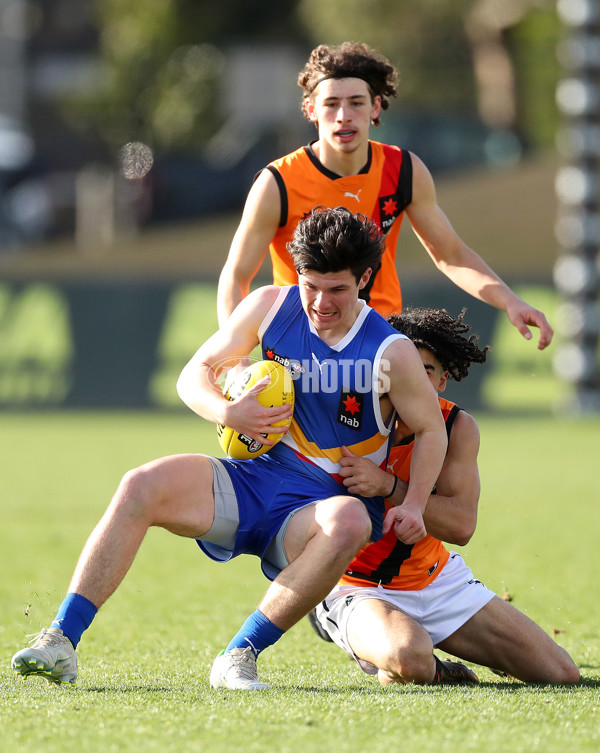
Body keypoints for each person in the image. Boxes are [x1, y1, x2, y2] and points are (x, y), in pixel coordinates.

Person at [11, 207, 448, 691]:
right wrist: (228, 412)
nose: (321, 303)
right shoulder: (270, 306)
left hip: (321, 509)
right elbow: (193, 374)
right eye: (311, 285)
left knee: (350, 520)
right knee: (140, 484)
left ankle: (239, 655)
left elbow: (433, 430)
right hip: (252, 480)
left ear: (365, 278)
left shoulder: (391, 351)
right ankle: (60, 642)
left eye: (338, 289)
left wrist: (411, 504)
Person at [217, 41, 553, 350]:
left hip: (380, 344)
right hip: (302, 349)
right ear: (311, 110)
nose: (344, 116)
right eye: (331, 104)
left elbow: (451, 255)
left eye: (356, 103)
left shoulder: (403, 170)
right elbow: (236, 277)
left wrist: (511, 301)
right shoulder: (278, 182)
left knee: (454, 420)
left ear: (376, 107)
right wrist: (232, 359)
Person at [310, 307, 580, 685]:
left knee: (561, 674)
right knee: (410, 659)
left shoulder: (458, 427)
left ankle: (410, 650)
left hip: (436, 580)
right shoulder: (347, 414)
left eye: (427, 371)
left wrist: (388, 487)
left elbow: (462, 526)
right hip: (353, 585)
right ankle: (432, 666)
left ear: (442, 381)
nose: (413, 380)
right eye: (404, 369)